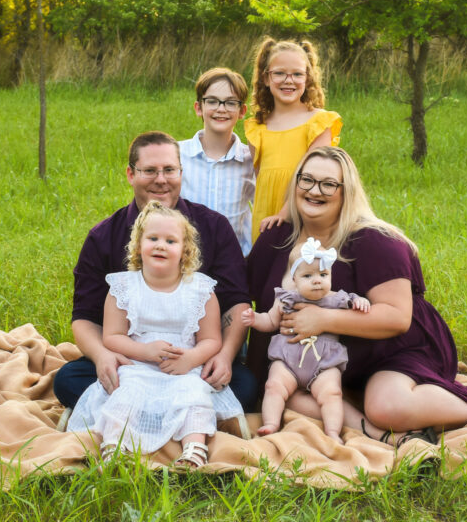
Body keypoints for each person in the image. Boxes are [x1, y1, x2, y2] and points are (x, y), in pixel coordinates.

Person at [246, 147, 467, 446]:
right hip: (325, 356)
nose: (315, 191)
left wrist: (323, 318)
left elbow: (397, 318)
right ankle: (379, 435)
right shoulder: (276, 237)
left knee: (388, 407)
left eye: (329, 184)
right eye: (307, 180)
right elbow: (243, 294)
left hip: (393, 348)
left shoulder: (374, 241)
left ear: (347, 192)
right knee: (279, 391)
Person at [54, 131, 257, 416]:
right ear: (130, 174)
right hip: (130, 363)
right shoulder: (103, 237)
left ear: (181, 172)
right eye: (149, 171)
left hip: (194, 361)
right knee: (66, 381)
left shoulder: (214, 227)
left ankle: (146, 413)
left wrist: (223, 357)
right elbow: (85, 317)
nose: (161, 179)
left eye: (169, 170)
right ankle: (172, 411)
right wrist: (102, 357)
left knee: (246, 386)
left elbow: (237, 302)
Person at [67, 202, 243, 468]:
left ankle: (194, 450)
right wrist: (146, 351)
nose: (161, 245)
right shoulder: (123, 287)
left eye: (171, 241)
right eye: (153, 238)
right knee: (125, 393)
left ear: (185, 250)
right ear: (138, 245)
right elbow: (112, 336)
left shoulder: (201, 290)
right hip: (137, 366)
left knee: (194, 394)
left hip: (183, 370)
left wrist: (191, 358)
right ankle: (116, 447)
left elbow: (211, 340)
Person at [241, 237, 371, 443]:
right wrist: (255, 319)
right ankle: (271, 424)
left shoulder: (337, 298)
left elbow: (354, 302)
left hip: (324, 363)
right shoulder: (286, 299)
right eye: (308, 275)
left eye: (323, 274)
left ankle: (333, 431)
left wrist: (360, 301)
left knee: (332, 394)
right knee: (273, 386)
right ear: (294, 279)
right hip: (287, 360)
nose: (317, 280)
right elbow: (270, 321)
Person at [244, 37, 342, 242]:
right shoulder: (257, 129)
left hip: (304, 216)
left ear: (308, 79)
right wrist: (273, 218)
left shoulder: (318, 123)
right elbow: (262, 180)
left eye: (297, 74)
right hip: (267, 217)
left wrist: (284, 215)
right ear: (266, 78)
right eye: (279, 73)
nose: (289, 80)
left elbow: (312, 178)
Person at [179, 67, 256, 256]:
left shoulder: (251, 159)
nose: (221, 109)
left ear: (242, 111)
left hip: (236, 259)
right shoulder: (177, 154)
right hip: (184, 258)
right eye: (212, 101)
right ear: (199, 108)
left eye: (230, 103)